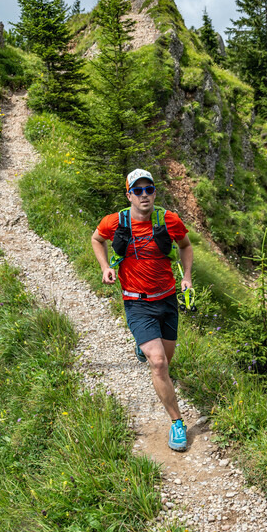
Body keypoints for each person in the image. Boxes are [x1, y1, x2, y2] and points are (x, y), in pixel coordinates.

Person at [91, 168, 194, 451]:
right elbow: (96, 239)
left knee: (166, 361)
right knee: (159, 363)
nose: (144, 195)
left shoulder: (168, 220)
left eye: (148, 189)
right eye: (137, 191)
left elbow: (185, 245)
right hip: (136, 302)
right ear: (129, 195)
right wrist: (105, 268)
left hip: (168, 299)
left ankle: (144, 346)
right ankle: (177, 423)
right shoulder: (116, 221)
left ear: (154, 192)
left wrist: (186, 277)